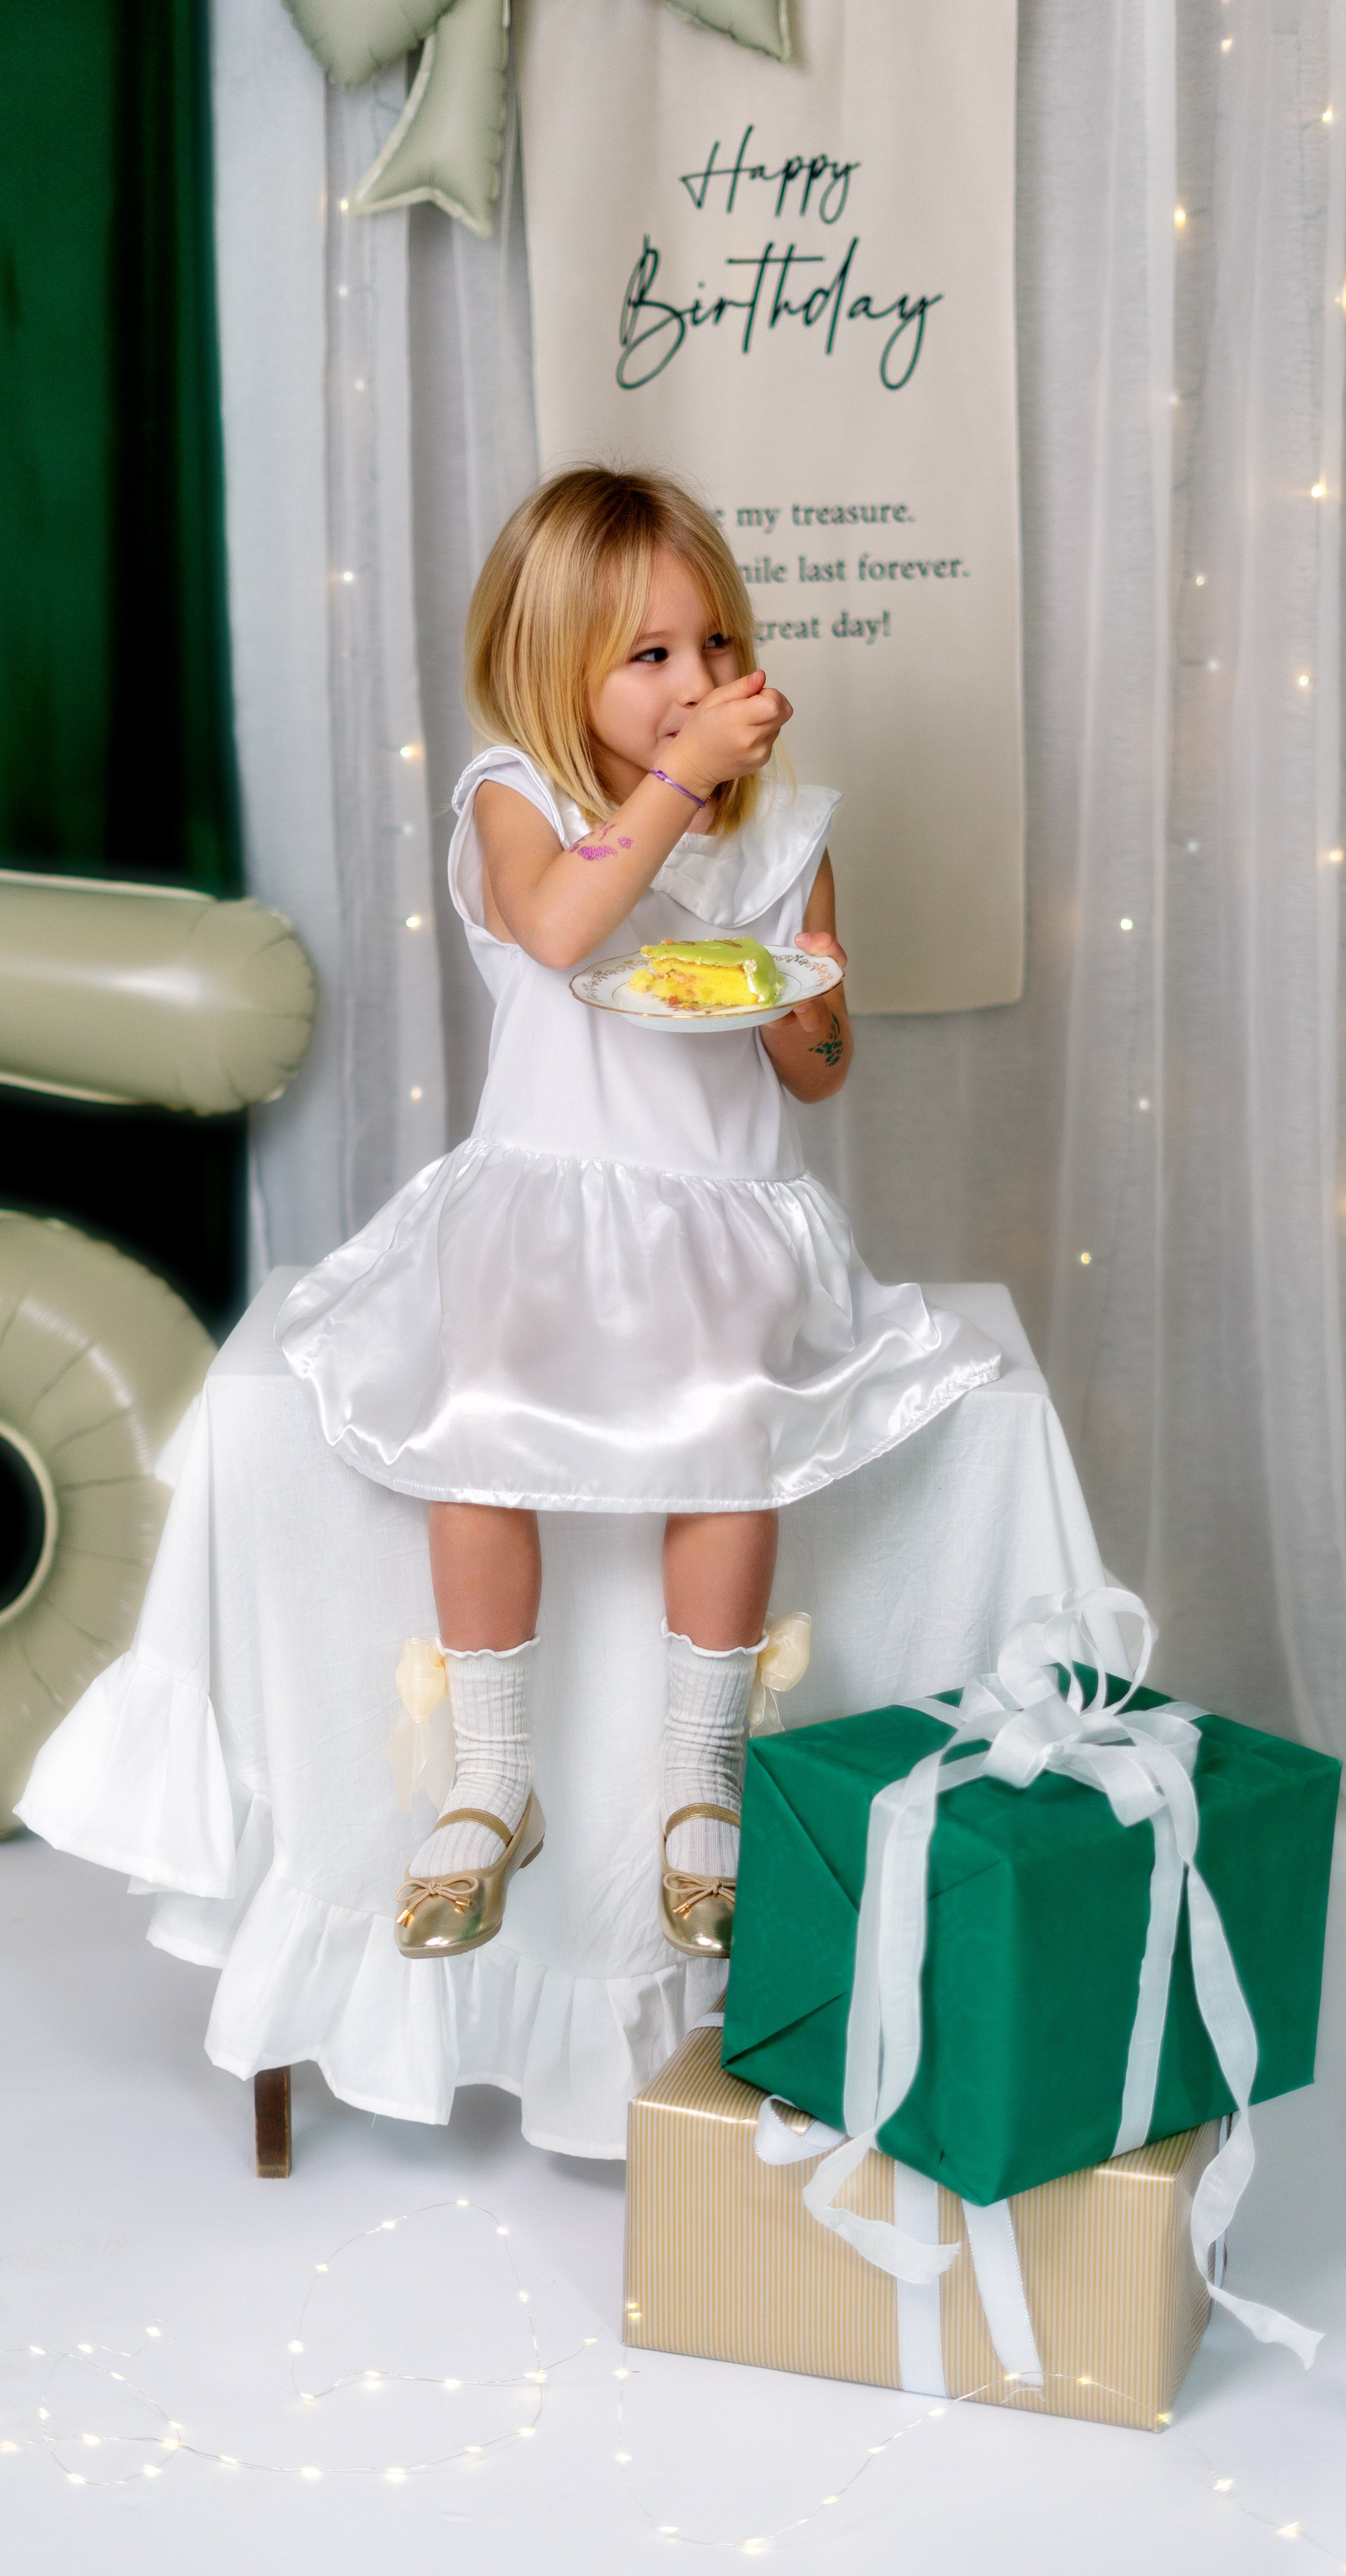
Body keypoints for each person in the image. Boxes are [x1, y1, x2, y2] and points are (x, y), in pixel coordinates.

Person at [278, 466, 1001, 1968]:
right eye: (649, 656)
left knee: (729, 1463)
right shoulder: (513, 798)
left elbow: (813, 1069)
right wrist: (676, 791)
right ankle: (490, 1779)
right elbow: (558, 927)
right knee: (476, 1454)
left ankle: (700, 1784)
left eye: (715, 646)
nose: (696, 685)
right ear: (555, 671)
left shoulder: (783, 826)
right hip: (544, 1204)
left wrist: (805, 989)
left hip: (722, 1214)